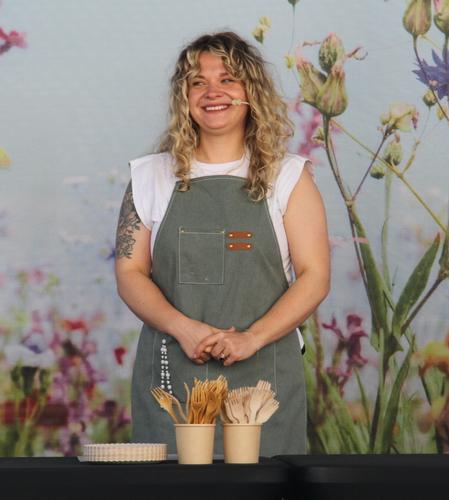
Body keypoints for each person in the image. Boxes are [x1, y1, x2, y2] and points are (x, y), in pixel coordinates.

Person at [114, 31, 330, 456]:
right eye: (198, 82)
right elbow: (129, 272)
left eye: (228, 79)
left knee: (263, 484)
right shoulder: (149, 177)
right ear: (184, 97)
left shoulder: (289, 177)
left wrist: (252, 338)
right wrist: (184, 329)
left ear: (251, 91)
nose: (212, 92)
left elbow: (315, 276)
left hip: (263, 383)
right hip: (172, 383)